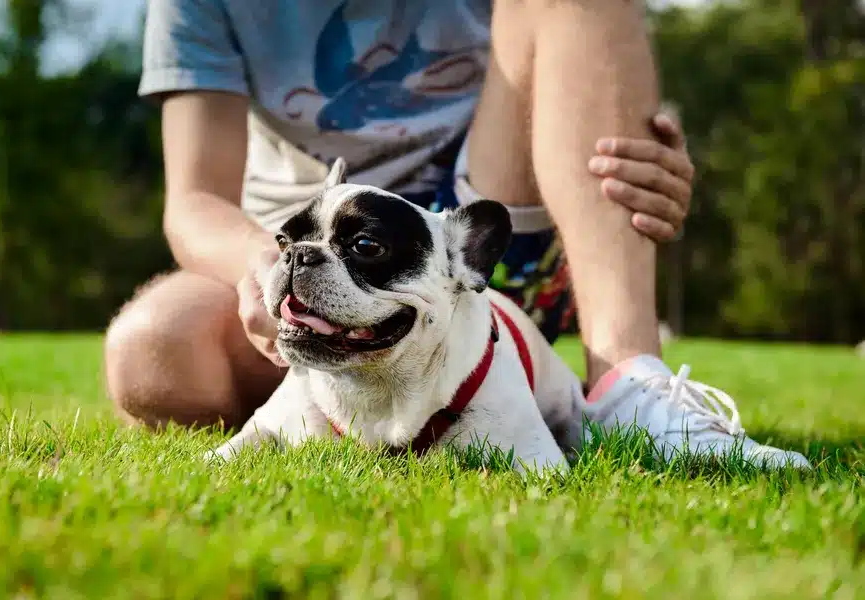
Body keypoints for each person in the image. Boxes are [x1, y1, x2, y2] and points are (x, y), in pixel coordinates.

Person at [105, 0, 808, 467]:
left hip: (502, 219)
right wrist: (272, 264)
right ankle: (328, 410)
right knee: (151, 352)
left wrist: (630, 135)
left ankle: (625, 378)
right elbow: (194, 198)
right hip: (300, 234)